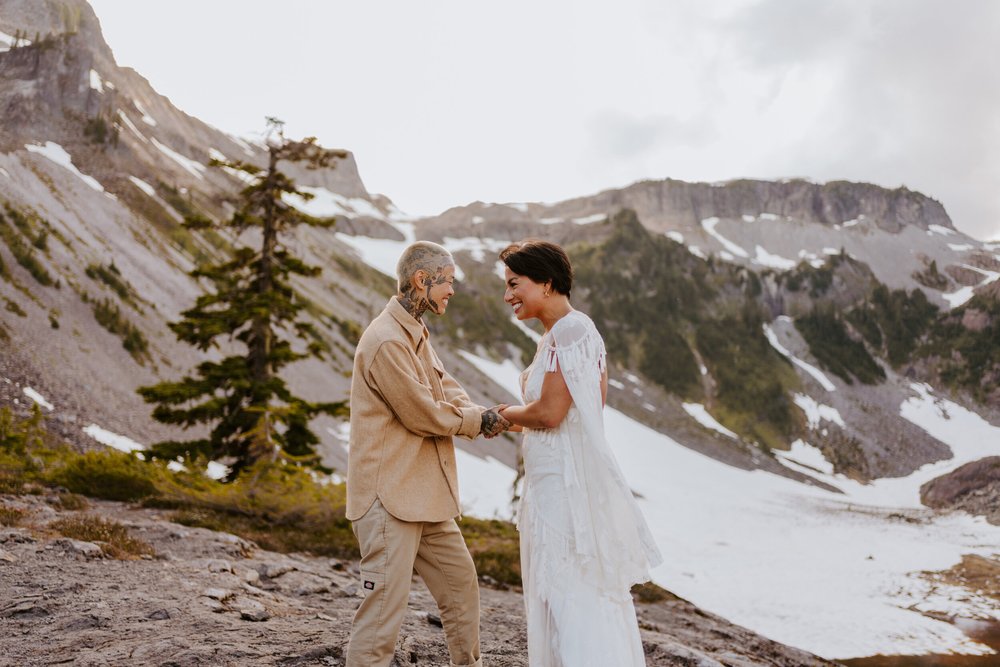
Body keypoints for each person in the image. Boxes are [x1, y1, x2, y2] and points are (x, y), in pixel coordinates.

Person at [497, 239, 663, 666]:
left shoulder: (572, 330)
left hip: (563, 486)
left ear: (547, 282)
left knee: (570, 590)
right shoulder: (559, 334)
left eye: (515, 283)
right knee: (559, 591)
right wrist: (491, 420)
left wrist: (498, 415)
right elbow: (565, 413)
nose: (508, 295)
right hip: (551, 480)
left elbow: (551, 413)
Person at [345, 241, 509, 667]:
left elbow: (446, 388)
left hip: (423, 497)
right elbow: (422, 413)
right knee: (382, 614)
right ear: (422, 280)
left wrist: (482, 415)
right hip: (388, 499)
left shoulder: (414, 331)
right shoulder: (385, 340)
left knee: (461, 585)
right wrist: (476, 422)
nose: (451, 290)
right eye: (447, 281)